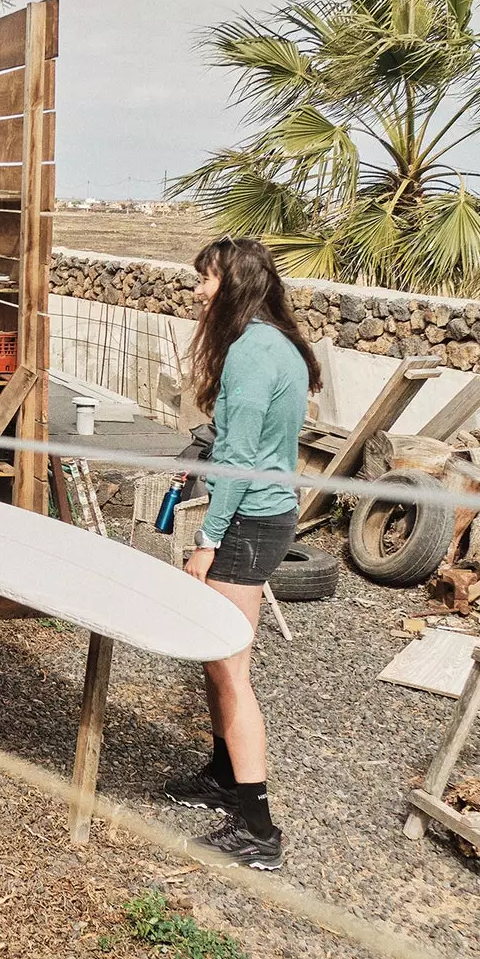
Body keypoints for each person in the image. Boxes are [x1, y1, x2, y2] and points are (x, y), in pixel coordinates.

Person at [162, 237, 321, 871]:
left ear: (235, 283)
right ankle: (225, 777)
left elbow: (241, 459)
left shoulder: (253, 354)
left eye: (206, 279)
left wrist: (207, 540)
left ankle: (258, 827)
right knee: (214, 656)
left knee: (230, 668)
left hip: (250, 524)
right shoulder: (264, 343)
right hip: (256, 516)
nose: (199, 291)